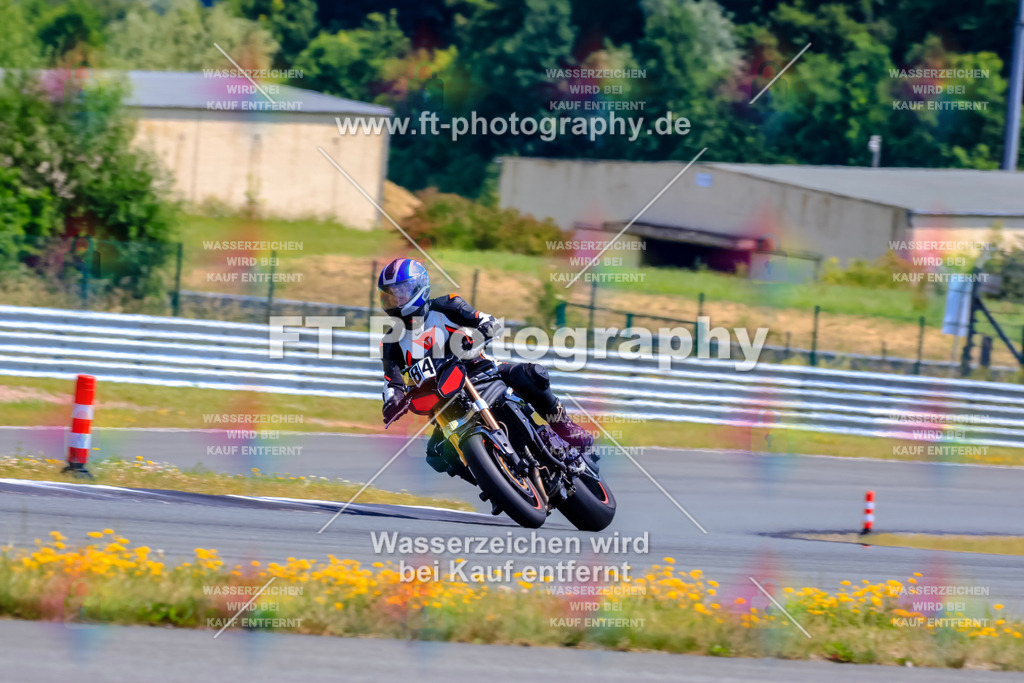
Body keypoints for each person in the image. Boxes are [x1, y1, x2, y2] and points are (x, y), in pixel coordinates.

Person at [376, 258, 593, 478]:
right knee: (436, 455)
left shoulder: (447, 304)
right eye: (389, 294)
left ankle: (563, 426)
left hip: (480, 371)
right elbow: (391, 383)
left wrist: (485, 327)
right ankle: (492, 480)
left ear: (418, 287)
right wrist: (392, 401)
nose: (395, 299)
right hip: (444, 402)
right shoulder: (390, 343)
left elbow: (485, 319)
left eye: (400, 292)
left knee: (532, 374)